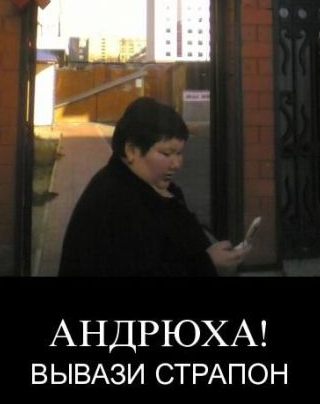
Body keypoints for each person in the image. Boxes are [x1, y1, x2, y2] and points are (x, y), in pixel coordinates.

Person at [58, 96, 252, 277]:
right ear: (131, 150)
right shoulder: (114, 201)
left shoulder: (154, 187)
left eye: (179, 153)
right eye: (167, 154)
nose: (177, 164)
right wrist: (207, 263)